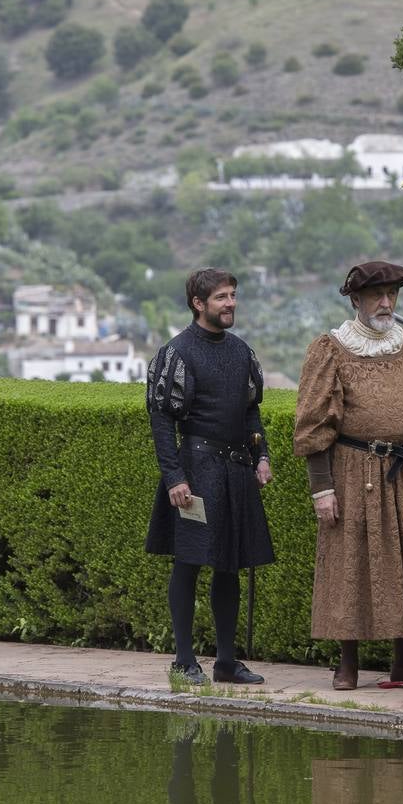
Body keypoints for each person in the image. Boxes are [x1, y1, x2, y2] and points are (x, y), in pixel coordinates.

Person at [293, 260, 403, 690]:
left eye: (392, 295)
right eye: (376, 296)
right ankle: (347, 664)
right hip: (351, 471)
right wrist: (322, 489)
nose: (386, 303)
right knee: (351, 564)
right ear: (355, 300)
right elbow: (313, 426)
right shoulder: (330, 348)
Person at [146, 268, 274, 686]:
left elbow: (251, 409)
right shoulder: (177, 353)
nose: (231, 303)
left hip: (236, 471)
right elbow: (162, 418)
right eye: (221, 297)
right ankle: (184, 660)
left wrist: (262, 455)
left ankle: (225, 662)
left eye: (233, 295)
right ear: (199, 304)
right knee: (188, 564)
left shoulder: (240, 351)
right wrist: (174, 477)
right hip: (197, 473)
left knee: (229, 566)